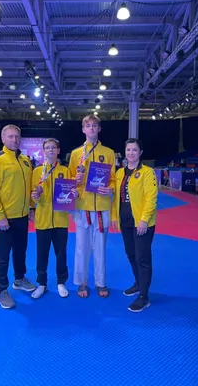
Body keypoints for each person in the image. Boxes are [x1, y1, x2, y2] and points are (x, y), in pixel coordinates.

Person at [0, 124, 36, 309]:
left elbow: (29, 188)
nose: (14, 140)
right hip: (4, 219)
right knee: (2, 255)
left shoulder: (25, 160)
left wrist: (31, 208)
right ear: (3, 138)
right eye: (11, 136)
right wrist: (0, 216)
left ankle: (20, 279)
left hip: (22, 216)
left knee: (20, 251)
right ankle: (1, 290)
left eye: (17, 136)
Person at [69, 115, 115, 298]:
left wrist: (110, 188)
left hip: (102, 206)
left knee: (100, 246)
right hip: (82, 206)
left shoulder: (109, 153)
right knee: (81, 246)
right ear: (83, 129)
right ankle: (81, 282)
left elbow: (113, 179)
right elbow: (70, 181)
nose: (91, 128)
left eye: (94, 125)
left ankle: (100, 282)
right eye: (87, 126)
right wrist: (75, 180)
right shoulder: (75, 154)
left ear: (99, 129)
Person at [111, 138, 158, 312]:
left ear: (140, 153)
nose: (131, 153)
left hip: (142, 223)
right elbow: (116, 197)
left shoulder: (147, 172)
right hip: (126, 222)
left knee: (142, 258)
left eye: (134, 150)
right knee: (131, 255)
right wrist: (114, 216)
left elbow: (151, 198)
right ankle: (139, 284)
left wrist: (144, 219)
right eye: (128, 150)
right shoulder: (119, 173)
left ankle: (144, 297)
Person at [31, 138, 78, 299]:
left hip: (60, 220)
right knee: (41, 253)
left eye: (53, 148)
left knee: (61, 253)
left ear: (58, 151)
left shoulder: (65, 171)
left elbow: (71, 193)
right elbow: (33, 197)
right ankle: (42, 283)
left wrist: (74, 194)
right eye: (47, 148)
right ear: (44, 151)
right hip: (43, 220)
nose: (50, 150)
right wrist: (35, 195)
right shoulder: (37, 172)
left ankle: (61, 282)